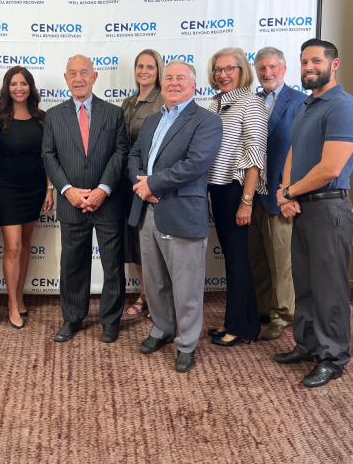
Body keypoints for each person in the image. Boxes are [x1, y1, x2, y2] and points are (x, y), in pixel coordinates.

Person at [128, 61, 222, 372]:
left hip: (181, 211)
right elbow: (135, 156)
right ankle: (162, 330)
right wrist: (141, 186)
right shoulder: (154, 120)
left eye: (181, 78)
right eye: (169, 78)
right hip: (148, 210)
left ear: (194, 86)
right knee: (154, 282)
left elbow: (195, 164)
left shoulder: (206, 121)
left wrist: (152, 184)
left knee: (186, 286)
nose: (174, 83)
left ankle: (187, 343)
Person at [274, 38, 353, 388]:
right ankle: (307, 346)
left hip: (328, 208)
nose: (309, 67)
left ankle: (333, 358)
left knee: (329, 289)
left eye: (316, 61)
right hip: (303, 207)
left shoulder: (342, 106)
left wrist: (289, 191)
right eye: (305, 61)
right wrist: (286, 194)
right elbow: (294, 152)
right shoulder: (307, 105)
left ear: (333, 65)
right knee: (304, 285)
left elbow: (331, 167)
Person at [42, 55, 129, 344]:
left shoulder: (114, 113)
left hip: (108, 202)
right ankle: (73, 318)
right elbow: (48, 155)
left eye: (84, 73)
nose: (78, 78)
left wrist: (104, 188)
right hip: (71, 202)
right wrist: (68, 190)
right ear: (65, 78)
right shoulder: (54, 115)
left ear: (94, 76)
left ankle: (110, 320)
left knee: (113, 264)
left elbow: (120, 153)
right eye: (72, 74)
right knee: (72, 264)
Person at [206, 47, 267, 347]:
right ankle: (248, 324)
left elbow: (255, 155)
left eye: (230, 68)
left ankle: (236, 327)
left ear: (242, 71)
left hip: (236, 191)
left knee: (237, 260)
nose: (223, 74)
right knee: (235, 259)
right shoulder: (214, 104)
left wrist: (246, 200)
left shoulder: (251, 103)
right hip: (216, 190)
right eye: (218, 69)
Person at [0, 66, 54, 329]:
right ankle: (11, 304)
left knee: (26, 243)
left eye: (24, 83)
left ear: (30, 87)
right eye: (14, 83)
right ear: (7, 87)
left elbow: (47, 157)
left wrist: (49, 188)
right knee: (13, 246)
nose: (19, 88)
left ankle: (19, 295)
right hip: (6, 188)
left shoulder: (41, 117)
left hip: (35, 188)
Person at [248, 47, 306, 340]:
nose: (267, 73)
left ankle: (282, 314)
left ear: (284, 68)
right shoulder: (252, 101)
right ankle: (263, 307)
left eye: (272, 67)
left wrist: (290, 193)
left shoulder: (300, 102)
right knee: (257, 257)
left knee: (281, 260)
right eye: (262, 69)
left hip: (280, 196)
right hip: (252, 194)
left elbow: (304, 153)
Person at [122, 49, 164, 316]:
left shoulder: (163, 100)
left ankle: (158, 297)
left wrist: (149, 182)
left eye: (150, 67)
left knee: (155, 243)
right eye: (140, 66)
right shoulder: (128, 102)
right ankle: (144, 293)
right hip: (129, 182)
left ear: (159, 70)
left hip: (152, 182)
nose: (144, 71)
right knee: (137, 242)